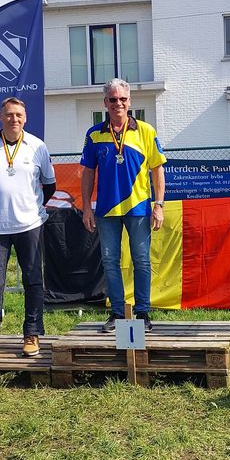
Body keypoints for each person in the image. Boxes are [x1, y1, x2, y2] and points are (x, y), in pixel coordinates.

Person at [0, 97, 56, 358]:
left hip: (30, 225)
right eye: (9, 114)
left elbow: (49, 185)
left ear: (25, 118)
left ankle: (32, 334)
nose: (14, 119)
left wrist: (30, 206)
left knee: (33, 281)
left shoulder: (37, 146)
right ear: (1, 117)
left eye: (18, 115)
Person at [81, 78, 166, 332]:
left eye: (123, 99)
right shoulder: (94, 133)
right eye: (113, 99)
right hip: (107, 209)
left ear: (130, 101)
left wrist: (159, 204)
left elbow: (157, 170)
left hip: (139, 208)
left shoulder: (146, 131)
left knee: (141, 260)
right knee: (109, 261)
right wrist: (86, 206)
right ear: (105, 103)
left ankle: (143, 313)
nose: (118, 103)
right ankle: (117, 313)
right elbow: (87, 173)